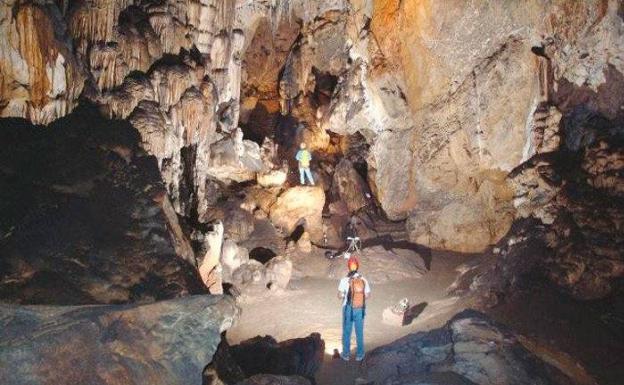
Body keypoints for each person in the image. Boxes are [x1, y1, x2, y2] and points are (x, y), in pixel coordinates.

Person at [338, 255, 370, 361]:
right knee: (359, 331)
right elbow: (368, 295)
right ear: (357, 266)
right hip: (360, 309)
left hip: (348, 308)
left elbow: (339, 295)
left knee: (347, 331)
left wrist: (345, 296)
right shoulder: (363, 279)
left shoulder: (344, 280)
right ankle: (360, 354)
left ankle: (346, 354)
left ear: (348, 267)